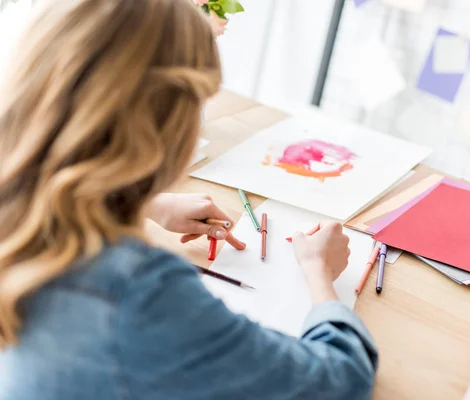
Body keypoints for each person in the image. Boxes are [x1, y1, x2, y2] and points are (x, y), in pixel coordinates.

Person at [0, 0, 378, 399]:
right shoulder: (138, 294)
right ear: (165, 127)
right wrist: (319, 273)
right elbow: (339, 382)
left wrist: (147, 204)